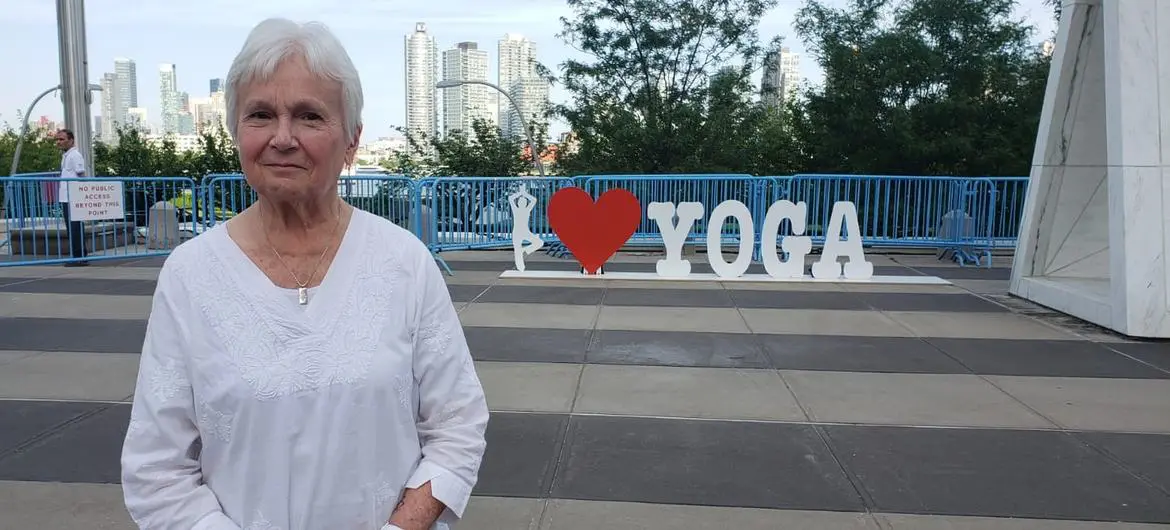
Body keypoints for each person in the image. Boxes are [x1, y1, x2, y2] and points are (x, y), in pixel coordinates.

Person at [120, 18, 489, 530]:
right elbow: (156, 468)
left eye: (310, 116)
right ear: (235, 131)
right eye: (260, 115)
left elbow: (458, 426)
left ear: (353, 138)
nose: (283, 138)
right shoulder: (191, 276)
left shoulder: (402, 262)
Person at [55, 128, 88, 266]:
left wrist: (80, 193)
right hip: (66, 196)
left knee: (75, 227)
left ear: (71, 140)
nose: (59, 142)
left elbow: (81, 174)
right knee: (71, 227)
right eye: (58, 139)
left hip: (73, 196)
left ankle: (78, 256)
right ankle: (79, 255)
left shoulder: (75, 155)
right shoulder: (66, 155)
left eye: (62, 139)